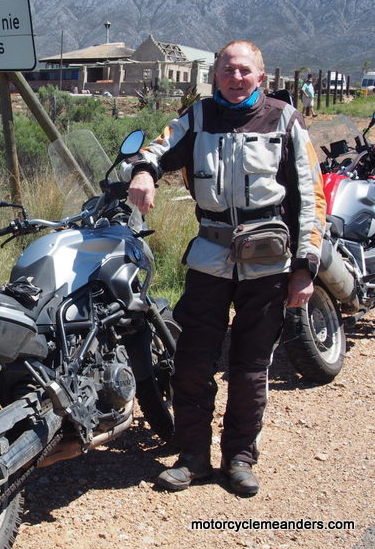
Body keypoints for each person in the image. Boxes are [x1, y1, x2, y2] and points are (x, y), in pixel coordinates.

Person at [123, 40, 326, 496]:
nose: (236, 79)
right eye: (228, 71)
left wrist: (305, 268)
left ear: (262, 76)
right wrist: (143, 173)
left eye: (245, 71)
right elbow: (156, 149)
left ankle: (239, 457)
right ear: (215, 75)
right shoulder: (197, 117)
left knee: (250, 366)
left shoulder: (285, 120)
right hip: (210, 259)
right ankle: (193, 455)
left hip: (268, 263)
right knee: (192, 360)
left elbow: (311, 198)